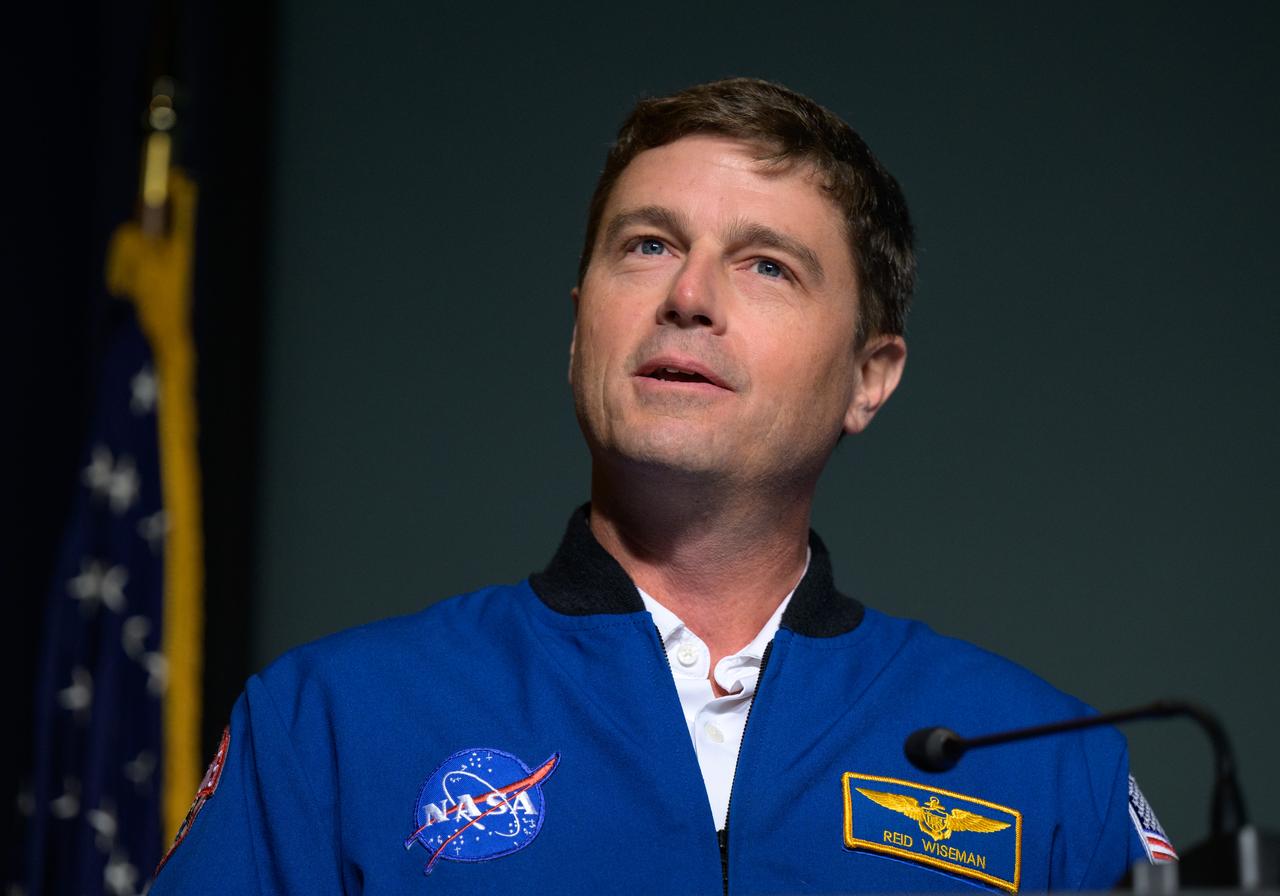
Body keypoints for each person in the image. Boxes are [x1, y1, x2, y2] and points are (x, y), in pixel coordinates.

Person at [151, 78, 1174, 894]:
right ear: (577, 325)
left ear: (869, 376)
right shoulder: (328, 722)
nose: (686, 296)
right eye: (646, 246)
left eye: (766, 265)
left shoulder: (1045, 766)